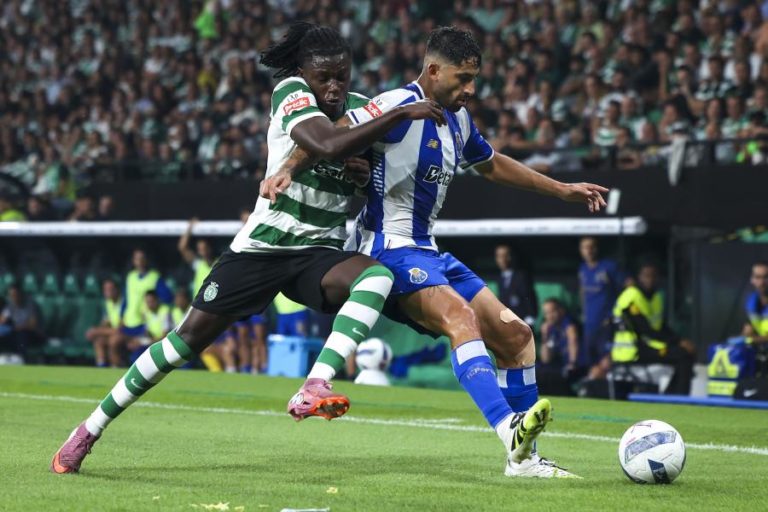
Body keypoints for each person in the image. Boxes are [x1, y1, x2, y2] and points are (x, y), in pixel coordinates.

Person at [51, 22, 444, 474]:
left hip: (317, 253)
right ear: (304, 73)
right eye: (324, 77)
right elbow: (323, 142)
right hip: (263, 248)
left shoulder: (360, 111)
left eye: (342, 76)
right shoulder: (291, 93)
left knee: (376, 277)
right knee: (183, 344)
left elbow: (360, 171)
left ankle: (315, 385)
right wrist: (400, 114)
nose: (334, 86)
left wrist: (361, 175)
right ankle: (89, 429)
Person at [266, 26, 607, 478]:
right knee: (460, 317)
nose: (470, 89)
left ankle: (524, 461)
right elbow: (332, 134)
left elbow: (492, 164)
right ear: (433, 71)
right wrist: (288, 168)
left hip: (429, 251)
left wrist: (561, 189)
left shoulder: (459, 120)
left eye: (474, 79)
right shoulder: (394, 105)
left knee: (517, 337)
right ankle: (509, 429)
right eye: (462, 79)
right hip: (388, 248)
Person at [611, 262, 696, 395]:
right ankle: (678, 398)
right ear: (639, 277)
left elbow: (660, 326)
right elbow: (645, 330)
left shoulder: (656, 297)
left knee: (686, 353)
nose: (650, 279)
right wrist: (677, 342)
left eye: (653, 276)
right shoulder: (632, 296)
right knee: (682, 356)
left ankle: (672, 396)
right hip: (632, 350)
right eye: (646, 276)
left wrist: (681, 340)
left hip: (648, 346)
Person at [578, 237, 625, 374]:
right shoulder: (583, 269)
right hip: (589, 325)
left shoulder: (609, 267)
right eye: (585, 247)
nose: (588, 250)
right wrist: (584, 313)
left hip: (606, 324)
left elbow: (628, 285)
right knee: (590, 363)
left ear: (597, 249)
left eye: (591, 247)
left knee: (606, 363)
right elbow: (582, 291)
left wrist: (614, 314)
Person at [538, 298, 583, 395]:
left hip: (575, 367)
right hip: (557, 367)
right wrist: (545, 336)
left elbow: (573, 340)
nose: (549, 316)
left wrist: (572, 363)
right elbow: (546, 359)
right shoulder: (550, 328)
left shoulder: (569, 324)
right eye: (547, 313)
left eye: (552, 312)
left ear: (561, 310)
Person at [494, 244, 537, 328]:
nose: (503, 259)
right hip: (507, 325)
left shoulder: (522, 276)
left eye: (506, 255)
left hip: (522, 323)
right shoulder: (500, 278)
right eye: (499, 256)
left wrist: (530, 319)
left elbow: (530, 297)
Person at [85, 278, 123, 368]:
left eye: (110, 289)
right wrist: (100, 330)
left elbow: (121, 329)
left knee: (113, 341)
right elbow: (106, 322)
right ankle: (101, 367)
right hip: (113, 331)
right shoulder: (108, 303)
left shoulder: (124, 303)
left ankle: (116, 368)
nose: (107, 292)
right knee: (99, 341)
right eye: (105, 289)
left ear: (117, 290)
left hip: (126, 333)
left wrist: (96, 331)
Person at [0, 284, 42, 358]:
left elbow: (32, 325)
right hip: (16, 332)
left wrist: (16, 328)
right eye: (11, 295)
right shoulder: (10, 306)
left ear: (20, 294)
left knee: (21, 335)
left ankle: (22, 359)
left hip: (32, 334)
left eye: (15, 295)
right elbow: (2, 320)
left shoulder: (30, 305)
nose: (13, 297)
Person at [177, 218, 215, 297]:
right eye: (200, 249)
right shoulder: (198, 264)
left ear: (210, 248)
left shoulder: (220, 263)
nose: (203, 252)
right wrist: (190, 227)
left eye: (205, 248)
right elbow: (182, 247)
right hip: (198, 304)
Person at [743, 262, 768, 345]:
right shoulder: (751, 301)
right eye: (757, 277)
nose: (761, 282)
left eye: (766, 277)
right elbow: (747, 331)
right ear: (752, 280)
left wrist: (752, 340)